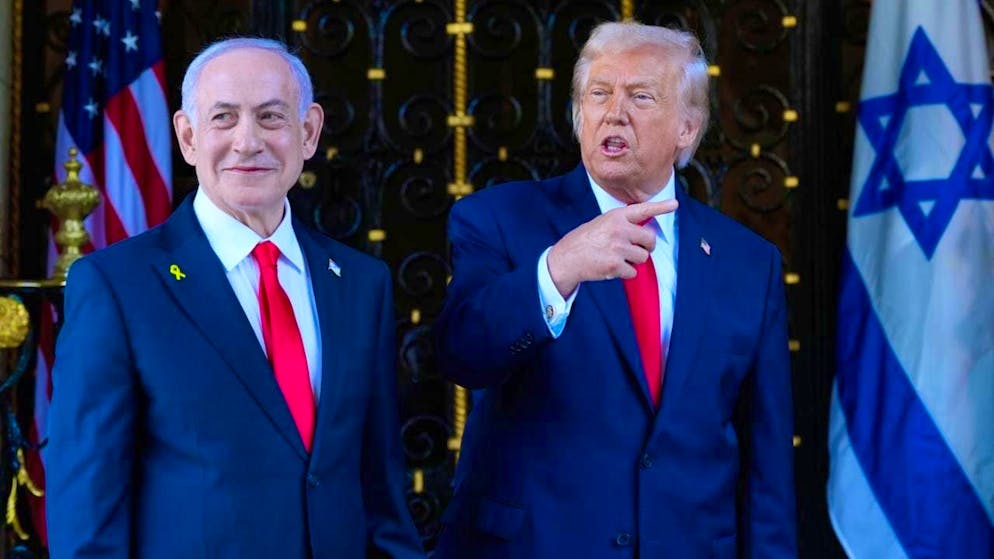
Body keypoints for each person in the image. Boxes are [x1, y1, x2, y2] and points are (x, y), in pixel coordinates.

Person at [45, 38, 424, 559]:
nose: (248, 142)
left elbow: (379, 489)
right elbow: (87, 510)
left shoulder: (361, 283)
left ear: (308, 131)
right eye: (224, 117)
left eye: (271, 117)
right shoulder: (116, 286)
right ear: (187, 136)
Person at [433, 21, 796, 558]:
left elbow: (766, 458)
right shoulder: (497, 219)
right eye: (598, 93)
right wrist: (558, 269)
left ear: (687, 130)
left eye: (641, 96)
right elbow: (462, 354)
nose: (613, 111)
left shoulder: (749, 262)